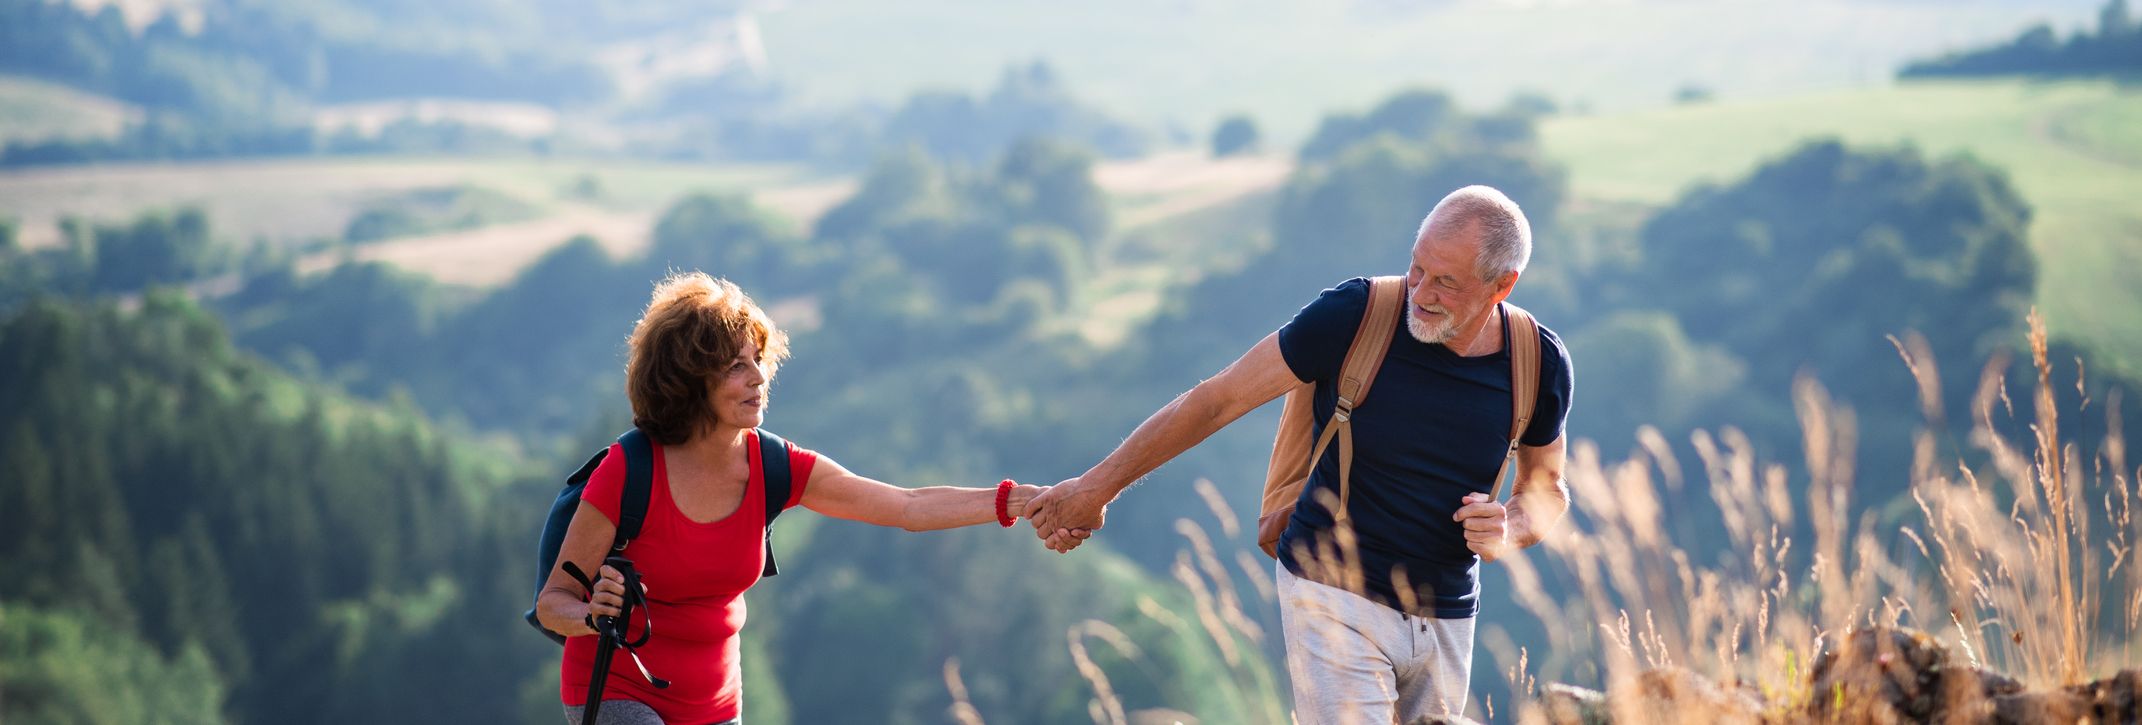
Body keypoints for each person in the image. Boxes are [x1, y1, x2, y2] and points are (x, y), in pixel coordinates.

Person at [1025, 185, 1574, 723]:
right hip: (1332, 590)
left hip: (1448, 615)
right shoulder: (1355, 315)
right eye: (1417, 267)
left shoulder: (1537, 362)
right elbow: (1218, 400)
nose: (1420, 290)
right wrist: (1096, 488)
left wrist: (1509, 527)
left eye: (1446, 282)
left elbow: (1545, 491)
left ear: (1502, 285)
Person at [535, 272, 1044, 725]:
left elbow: (907, 505)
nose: (758, 378)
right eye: (737, 366)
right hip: (618, 694)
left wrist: (1020, 501)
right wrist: (591, 616)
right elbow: (553, 602)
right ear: (689, 378)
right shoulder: (631, 469)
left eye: (758, 360)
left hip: (715, 703)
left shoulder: (776, 467)